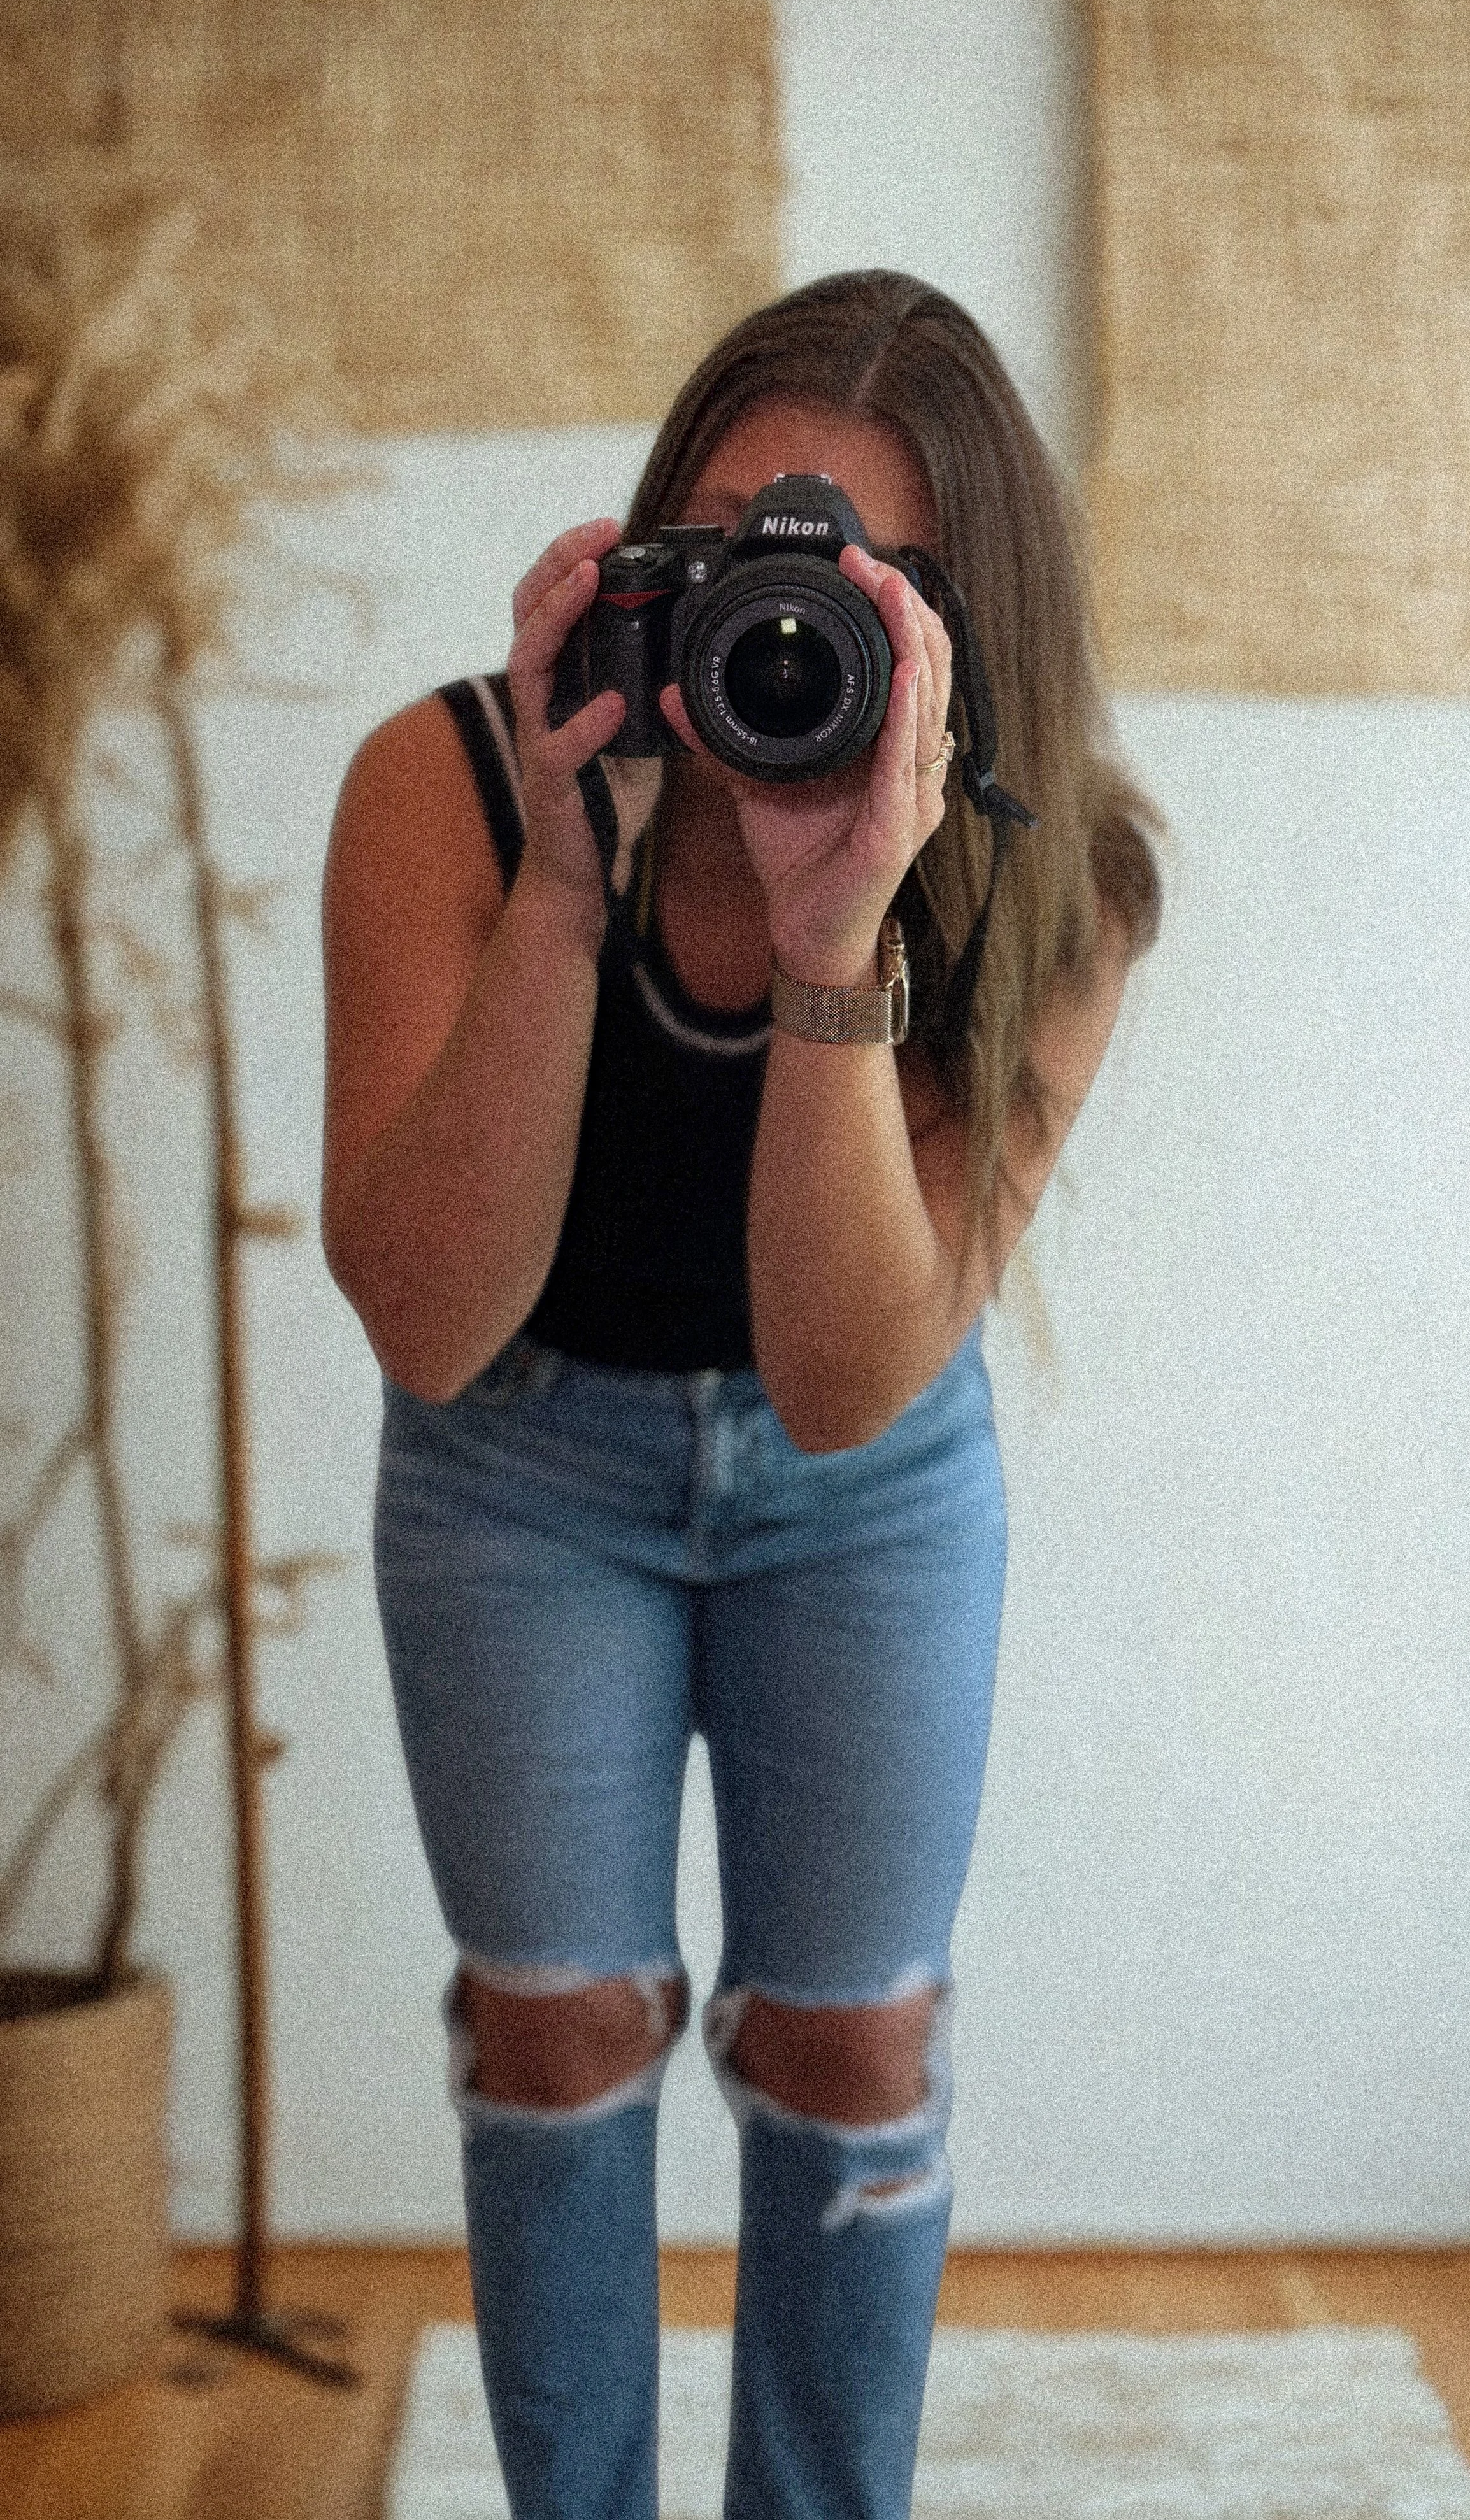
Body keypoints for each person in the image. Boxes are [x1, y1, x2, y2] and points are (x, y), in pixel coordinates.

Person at [320, 269, 1162, 2520]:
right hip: (516, 1458)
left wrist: (834, 937)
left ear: (964, 631)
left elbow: (845, 1376)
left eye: (863, 585)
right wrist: (563, 890)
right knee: (553, 2026)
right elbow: (426, 1322)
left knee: (853, 2039)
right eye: (738, 551)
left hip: (859, 1489)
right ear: (645, 553)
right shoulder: (447, 788)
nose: (784, 628)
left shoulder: (1055, 870)